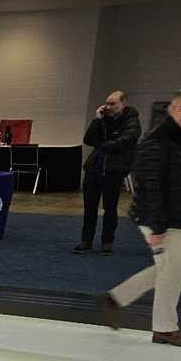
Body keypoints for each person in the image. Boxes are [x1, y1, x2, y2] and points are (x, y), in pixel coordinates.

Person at [96, 91, 181, 348]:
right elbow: (149, 185)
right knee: (174, 271)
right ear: (171, 109)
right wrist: (157, 227)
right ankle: (165, 329)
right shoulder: (156, 140)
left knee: (168, 269)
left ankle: (114, 299)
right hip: (158, 217)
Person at [74, 90, 142, 254]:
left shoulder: (132, 121)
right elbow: (88, 140)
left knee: (110, 208)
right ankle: (86, 240)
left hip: (113, 171)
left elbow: (123, 142)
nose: (108, 107)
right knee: (89, 207)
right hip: (94, 169)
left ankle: (107, 242)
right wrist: (97, 120)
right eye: (107, 103)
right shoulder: (102, 120)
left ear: (123, 104)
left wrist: (102, 144)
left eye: (113, 103)